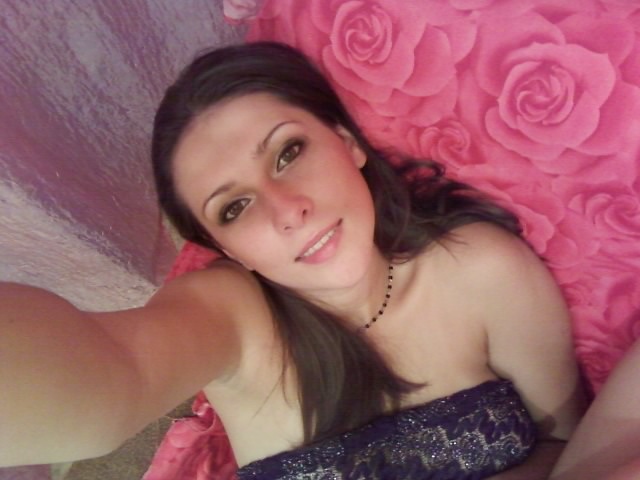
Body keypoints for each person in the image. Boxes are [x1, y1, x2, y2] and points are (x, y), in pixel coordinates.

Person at [1, 42, 585, 479]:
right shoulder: (233, 315)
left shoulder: (482, 271)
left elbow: (566, 445)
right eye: (234, 208)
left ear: (347, 142)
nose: (288, 212)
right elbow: (113, 371)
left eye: (288, 152)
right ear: (227, 250)